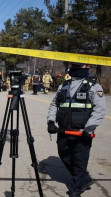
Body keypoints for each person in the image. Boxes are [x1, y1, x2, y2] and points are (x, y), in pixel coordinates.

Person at [47, 63, 106, 197]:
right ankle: (84, 178)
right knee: (64, 155)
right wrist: (50, 121)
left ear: (87, 66)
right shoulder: (64, 86)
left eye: (81, 63)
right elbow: (54, 105)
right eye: (75, 62)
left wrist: (89, 128)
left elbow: (100, 110)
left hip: (82, 132)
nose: (77, 65)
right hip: (63, 131)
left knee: (80, 161)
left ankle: (78, 187)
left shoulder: (93, 87)